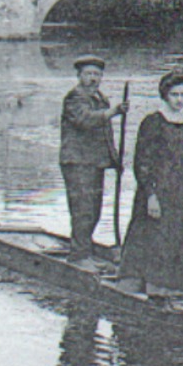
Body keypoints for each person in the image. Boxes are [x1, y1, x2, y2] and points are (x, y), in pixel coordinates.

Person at [115, 71, 183, 298]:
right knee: (152, 236)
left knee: (178, 238)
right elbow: (142, 161)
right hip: (156, 192)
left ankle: (177, 287)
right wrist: (150, 195)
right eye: (175, 94)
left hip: (181, 193)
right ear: (165, 95)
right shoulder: (153, 122)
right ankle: (147, 285)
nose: (180, 99)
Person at [58, 54, 127, 268]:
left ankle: (84, 249)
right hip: (77, 162)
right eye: (88, 74)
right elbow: (85, 120)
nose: (93, 78)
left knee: (94, 210)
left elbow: (105, 133)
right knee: (83, 209)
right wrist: (113, 112)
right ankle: (79, 256)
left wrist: (114, 159)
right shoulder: (74, 97)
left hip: (95, 163)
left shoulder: (100, 99)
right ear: (79, 76)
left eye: (97, 74)